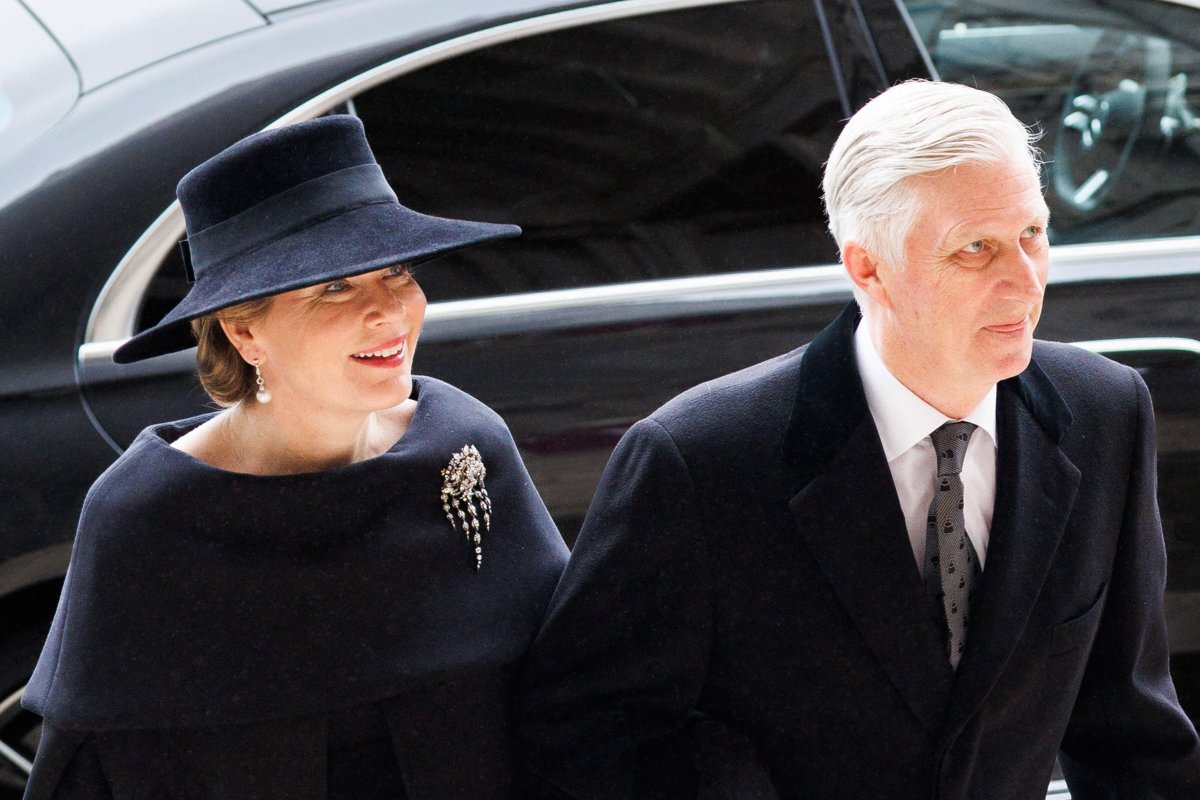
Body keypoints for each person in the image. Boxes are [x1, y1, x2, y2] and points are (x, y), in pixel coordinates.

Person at [516, 80, 1200, 799]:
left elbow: (1132, 733)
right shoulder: (698, 460)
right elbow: (581, 742)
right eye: (976, 249)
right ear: (868, 267)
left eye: (1033, 234)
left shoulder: (1106, 414)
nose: (1025, 283)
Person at [22, 115, 568, 799]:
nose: (389, 311)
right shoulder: (146, 514)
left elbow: (567, 689)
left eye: (397, 271)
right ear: (244, 331)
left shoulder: (463, 443)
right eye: (335, 286)